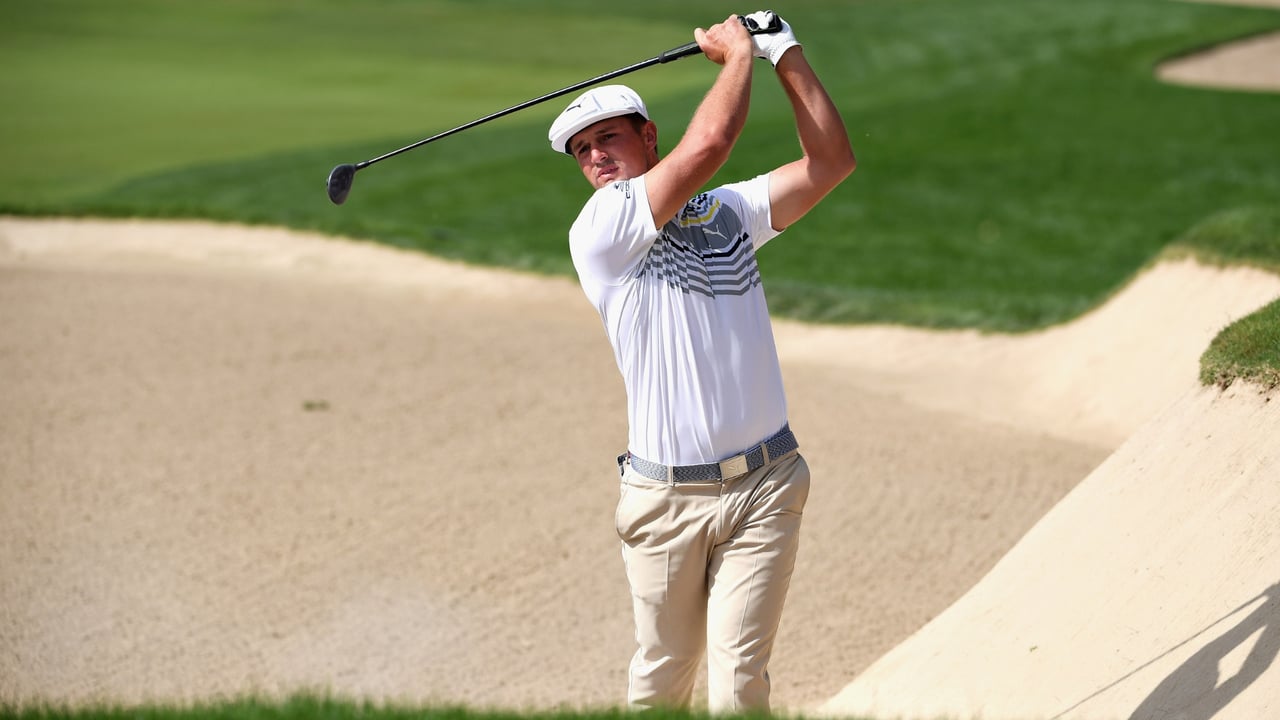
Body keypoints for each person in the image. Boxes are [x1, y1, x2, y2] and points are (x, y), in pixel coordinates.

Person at [546, 11, 855, 714]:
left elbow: (832, 164)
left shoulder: (724, 213)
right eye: (581, 149)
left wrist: (785, 54)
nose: (595, 156)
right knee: (663, 678)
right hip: (665, 502)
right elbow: (712, 139)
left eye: (609, 137)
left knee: (739, 684)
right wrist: (740, 56)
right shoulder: (601, 230)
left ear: (646, 136)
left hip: (765, 488)